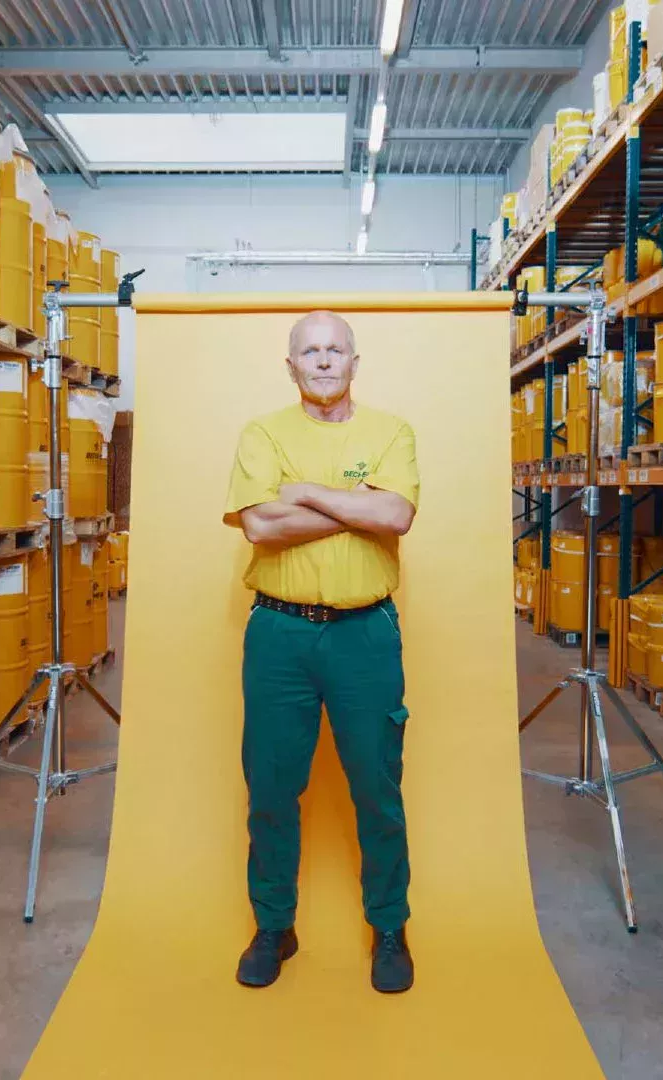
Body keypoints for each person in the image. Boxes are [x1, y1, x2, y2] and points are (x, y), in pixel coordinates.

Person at [222, 309, 419, 994]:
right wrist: (351, 503)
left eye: (337, 349)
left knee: (377, 786)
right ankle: (274, 924)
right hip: (279, 636)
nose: (325, 360)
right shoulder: (262, 433)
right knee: (272, 789)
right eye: (311, 351)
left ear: (354, 362)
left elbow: (395, 516)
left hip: (365, 635)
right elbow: (258, 528)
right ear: (291, 365)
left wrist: (300, 493)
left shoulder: (390, 431)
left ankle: (389, 925)